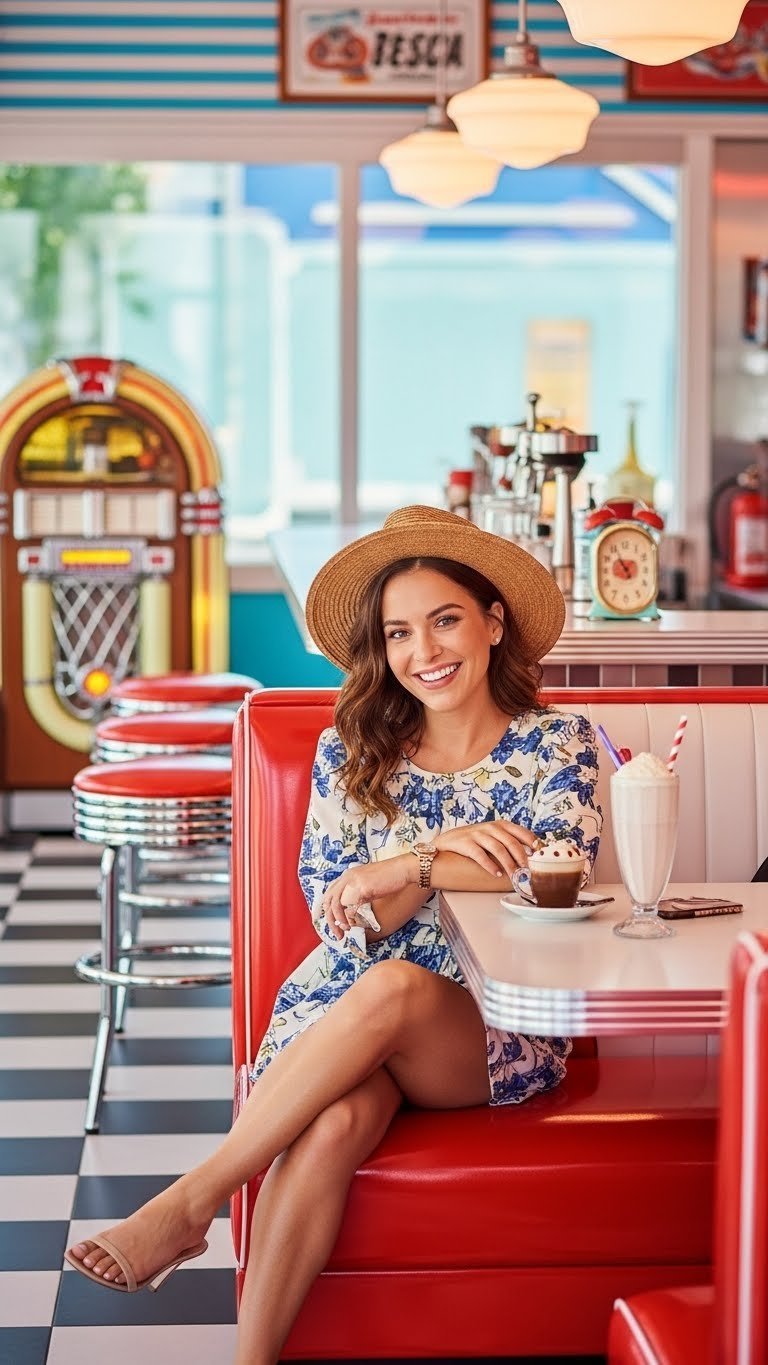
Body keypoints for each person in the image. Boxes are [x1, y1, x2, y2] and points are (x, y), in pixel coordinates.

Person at [65, 504, 602, 1365]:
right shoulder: (351, 750)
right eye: (399, 633)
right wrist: (439, 855)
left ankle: (193, 1198)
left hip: (489, 1020)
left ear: (494, 622)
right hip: (343, 1010)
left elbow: (554, 866)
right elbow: (342, 914)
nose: (423, 651)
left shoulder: (556, 741)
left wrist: (405, 867)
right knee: (335, 1117)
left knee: (392, 988)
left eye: (446, 619)